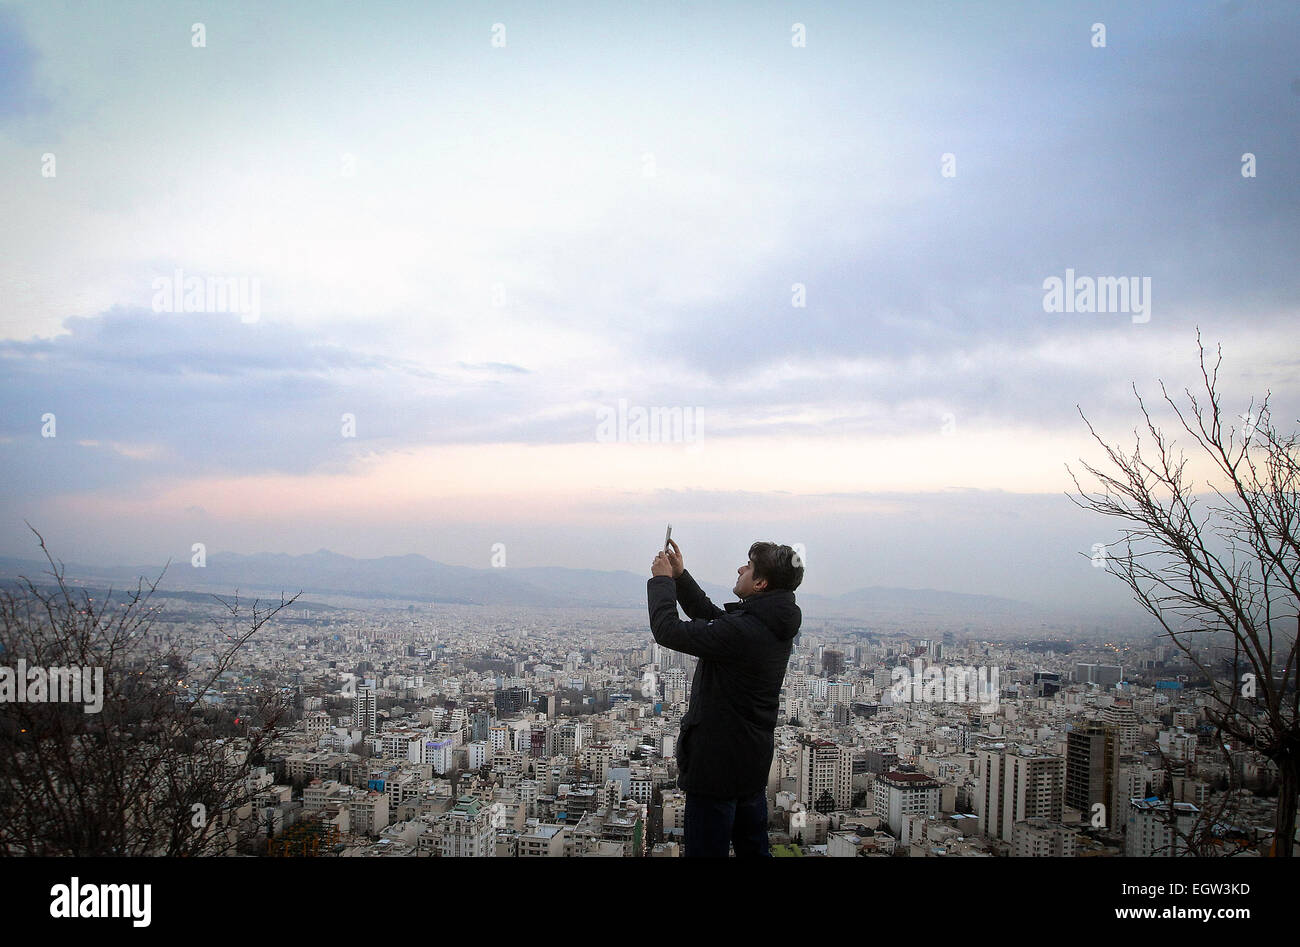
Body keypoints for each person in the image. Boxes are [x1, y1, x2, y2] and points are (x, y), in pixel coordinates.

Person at [647, 538, 803, 857]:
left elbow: (667, 630)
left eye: (749, 566)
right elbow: (717, 620)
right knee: (753, 848)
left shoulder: (745, 631)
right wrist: (680, 576)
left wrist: (661, 581)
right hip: (749, 760)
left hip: (716, 765)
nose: (740, 568)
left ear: (760, 583)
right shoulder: (770, 624)